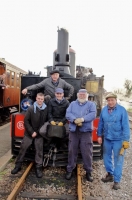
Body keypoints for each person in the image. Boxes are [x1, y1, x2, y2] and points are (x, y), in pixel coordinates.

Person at [97, 93, 130, 190]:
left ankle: (117, 181)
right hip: (107, 138)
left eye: (112, 100)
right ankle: (110, 174)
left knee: (118, 160)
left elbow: (126, 126)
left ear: (116, 100)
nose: (110, 102)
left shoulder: (122, 110)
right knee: (106, 157)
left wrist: (126, 140)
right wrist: (99, 135)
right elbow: (101, 123)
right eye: (109, 100)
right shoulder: (104, 110)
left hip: (118, 140)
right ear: (107, 101)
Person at [11, 93, 48, 178]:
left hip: (39, 134)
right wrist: (31, 132)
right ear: (36, 98)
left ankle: (38, 167)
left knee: (39, 150)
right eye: (38, 99)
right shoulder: (31, 108)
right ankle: (18, 165)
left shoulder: (45, 109)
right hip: (29, 133)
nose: (40, 100)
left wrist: (38, 132)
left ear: (43, 100)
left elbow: (45, 122)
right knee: (23, 148)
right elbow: (26, 121)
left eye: (41, 99)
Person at [65, 89, 96, 182]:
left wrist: (82, 119)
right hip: (74, 131)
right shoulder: (72, 104)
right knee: (72, 150)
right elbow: (68, 114)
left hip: (85, 132)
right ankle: (70, 169)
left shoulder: (91, 104)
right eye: (80, 94)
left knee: (87, 152)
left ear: (86, 95)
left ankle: (88, 171)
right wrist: (74, 120)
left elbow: (93, 114)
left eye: (84, 94)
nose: (82, 96)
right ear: (78, 95)